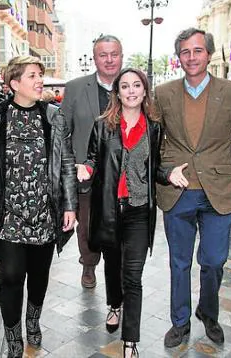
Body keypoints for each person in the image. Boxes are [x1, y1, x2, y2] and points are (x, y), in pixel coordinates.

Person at [155, 28, 231, 348]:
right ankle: (180, 322)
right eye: (185, 51)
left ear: (208, 54)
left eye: (198, 50)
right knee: (179, 262)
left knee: (213, 260)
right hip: (179, 193)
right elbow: (152, 139)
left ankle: (208, 312)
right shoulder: (163, 93)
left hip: (220, 192)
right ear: (179, 57)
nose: (192, 57)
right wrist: (165, 170)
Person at [76, 68, 182, 357]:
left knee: (133, 276)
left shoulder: (154, 128)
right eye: (125, 86)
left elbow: (155, 167)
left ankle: (130, 340)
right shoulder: (103, 126)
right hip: (110, 209)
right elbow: (92, 160)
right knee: (113, 266)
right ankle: (114, 305)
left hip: (138, 211)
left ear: (145, 91)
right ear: (118, 92)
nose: (131, 90)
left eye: (137, 85)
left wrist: (168, 175)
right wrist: (85, 169)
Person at [0, 55, 77, 358]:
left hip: (44, 214)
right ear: (14, 83)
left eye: (40, 75)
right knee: (9, 278)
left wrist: (70, 206)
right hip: (8, 216)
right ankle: (13, 338)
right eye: (32, 75)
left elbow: (67, 164)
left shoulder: (53, 117)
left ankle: (33, 321)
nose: (39, 81)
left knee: (39, 275)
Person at [61, 34, 124, 289]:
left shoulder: (132, 85)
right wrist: (69, 167)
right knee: (86, 225)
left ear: (121, 55)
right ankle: (89, 263)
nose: (109, 60)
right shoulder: (76, 87)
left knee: (120, 225)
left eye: (114, 54)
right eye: (103, 55)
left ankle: (117, 268)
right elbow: (63, 130)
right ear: (94, 58)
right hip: (85, 173)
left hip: (121, 174)